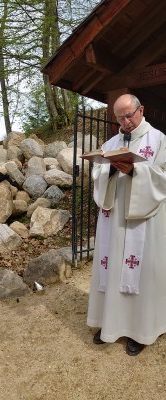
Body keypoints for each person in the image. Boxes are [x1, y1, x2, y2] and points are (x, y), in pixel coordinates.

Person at [87, 94, 166, 356]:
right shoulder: (110, 143)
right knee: (111, 270)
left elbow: (163, 177)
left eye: (129, 114)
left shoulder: (159, 140)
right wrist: (108, 168)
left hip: (144, 218)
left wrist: (135, 171)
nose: (126, 121)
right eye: (120, 117)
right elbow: (98, 174)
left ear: (141, 110)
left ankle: (140, 331)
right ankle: (109, 323)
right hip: (113, 218)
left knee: (141, 272)